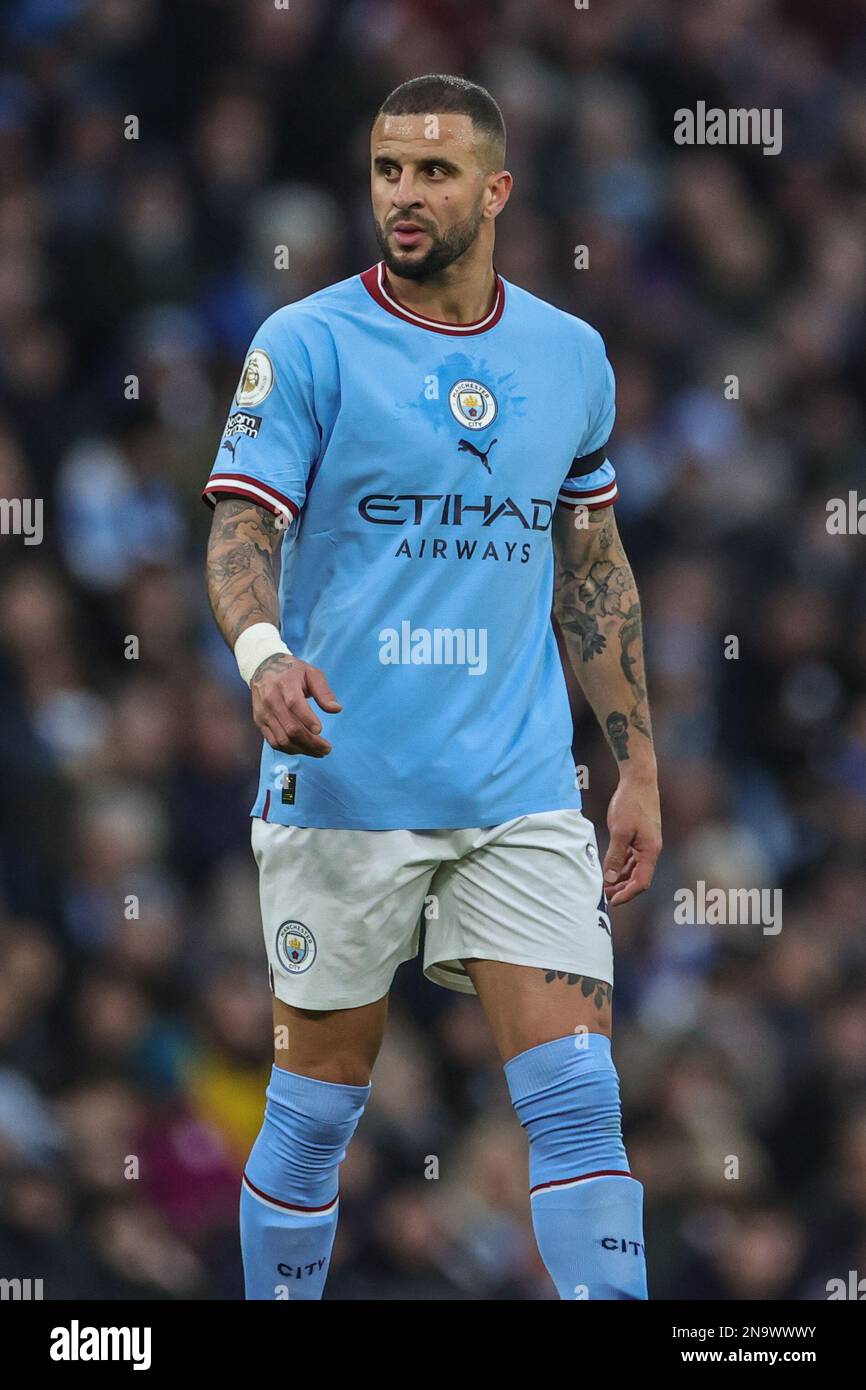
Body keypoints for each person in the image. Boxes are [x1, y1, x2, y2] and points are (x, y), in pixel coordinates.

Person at [203, 73, 661, 1301]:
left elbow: (591, 566)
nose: (403, 196)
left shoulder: (569, 358)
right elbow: (240, 536)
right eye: (387, 171)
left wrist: (636, 768)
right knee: (310, 1117)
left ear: (496, 189)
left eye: (434, 171)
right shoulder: (303, 344)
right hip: (345, 780)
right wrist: (263, 658)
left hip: (515, 790)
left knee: (577, 1103)